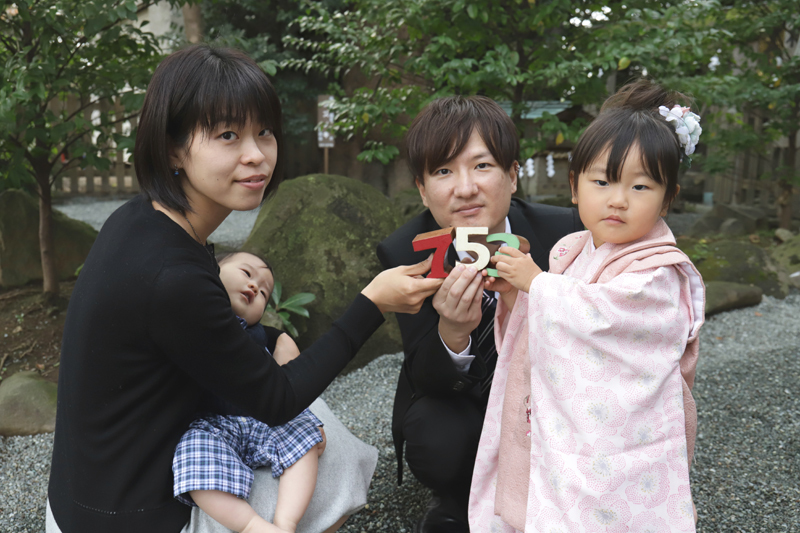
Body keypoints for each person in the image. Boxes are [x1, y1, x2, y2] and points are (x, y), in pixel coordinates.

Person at [46, 44, 441, 533]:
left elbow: (211, 346)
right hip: (131, 515)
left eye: (264, 131)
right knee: (335, 451)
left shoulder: (137, 220)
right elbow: (278, 399)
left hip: (84, 492)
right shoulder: (174, 277)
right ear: (172, 149)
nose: (256, 155)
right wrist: (373, 302)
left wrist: (273, 338)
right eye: (228, 135)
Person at [469, 79, 705, 532]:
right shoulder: (573, 250)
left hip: (621, 442)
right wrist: (518, 294)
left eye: (641, 186)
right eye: (601, 181)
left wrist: (537, 285)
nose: (618, 199)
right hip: (566, 430)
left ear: (668, 199)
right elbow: (552, 319)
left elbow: (610, 318)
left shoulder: (657, 272)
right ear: (575, 186)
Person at [376, 95, 583, 532]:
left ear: (513, 174)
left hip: (550, 387)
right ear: (422, 189)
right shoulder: (405, 251)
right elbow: (423, 373)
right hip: (463, 397)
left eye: (482, 166)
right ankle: (457, 500)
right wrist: (452, 330)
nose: (465, 188)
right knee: (436, 436)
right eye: (443, 171)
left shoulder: (565, 231)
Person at [172, 251, 327, 533]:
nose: (255, 286)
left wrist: (305, 416)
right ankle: (251, 525)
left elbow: (285, 383)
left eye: (264, 293)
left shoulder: (261, 334)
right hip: (213, 424)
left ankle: (286, 522)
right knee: (192, 454)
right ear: (211, 273)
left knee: (304, 433)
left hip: (264, 417)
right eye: (246, 273)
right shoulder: (195, 317)